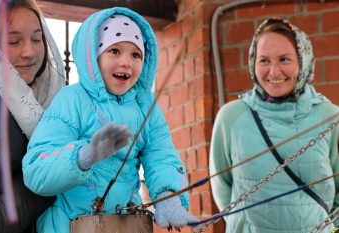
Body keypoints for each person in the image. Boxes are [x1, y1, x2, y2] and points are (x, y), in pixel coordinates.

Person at [22, 7, 199, 233]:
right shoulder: (72, 99)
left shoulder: (146, 106)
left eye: (136, 55)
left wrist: (168, 196)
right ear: (94, 57)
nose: (126, 62)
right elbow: (36, 170)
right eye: (114, 51)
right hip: (67, 225)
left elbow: (161, 155)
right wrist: (85, 156)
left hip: (124, 224)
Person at [209, 17, 339, 233]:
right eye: (264, 61)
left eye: (285, 59)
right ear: (253, 63)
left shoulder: (330, 117)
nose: (274, 72)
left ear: (303, 61)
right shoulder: (231, 117)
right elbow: (222, 186)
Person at [0, 0, 65, 232]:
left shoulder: (57, 103)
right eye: (13, 41)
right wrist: (52, 175)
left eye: (36, 38)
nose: (29, 51)